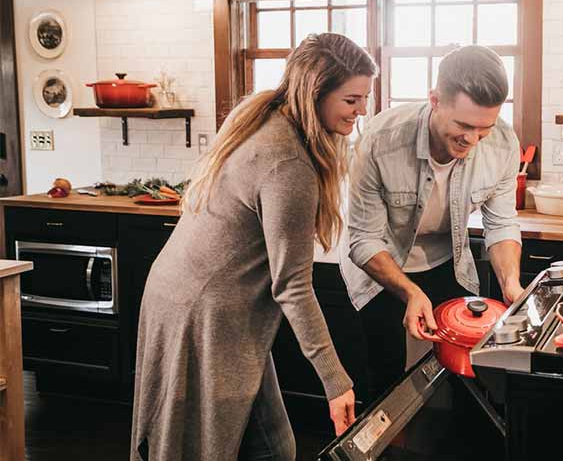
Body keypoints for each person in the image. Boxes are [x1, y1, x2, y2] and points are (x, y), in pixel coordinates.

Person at [130, 33, 377, 461]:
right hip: (207, 314)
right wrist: (337, 382)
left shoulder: (261, 113)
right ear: (315, 91)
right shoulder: (289, 163)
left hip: (180, 295)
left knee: (268, 444)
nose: (361, 110)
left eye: (364, 99)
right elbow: (293, 287)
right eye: (352, 100)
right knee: (251, 448)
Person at [339, 45, 525, 401]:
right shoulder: (380, 141)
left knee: (464, 378)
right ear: (435, 100)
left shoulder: (502, 143)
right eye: (463, 126)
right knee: (387, 383)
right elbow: (363, 238)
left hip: (447, 263)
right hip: (380, 267)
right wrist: (410, 291)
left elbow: (501, 223)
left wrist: (511, 283)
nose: (472, 140)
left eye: (483, 129)